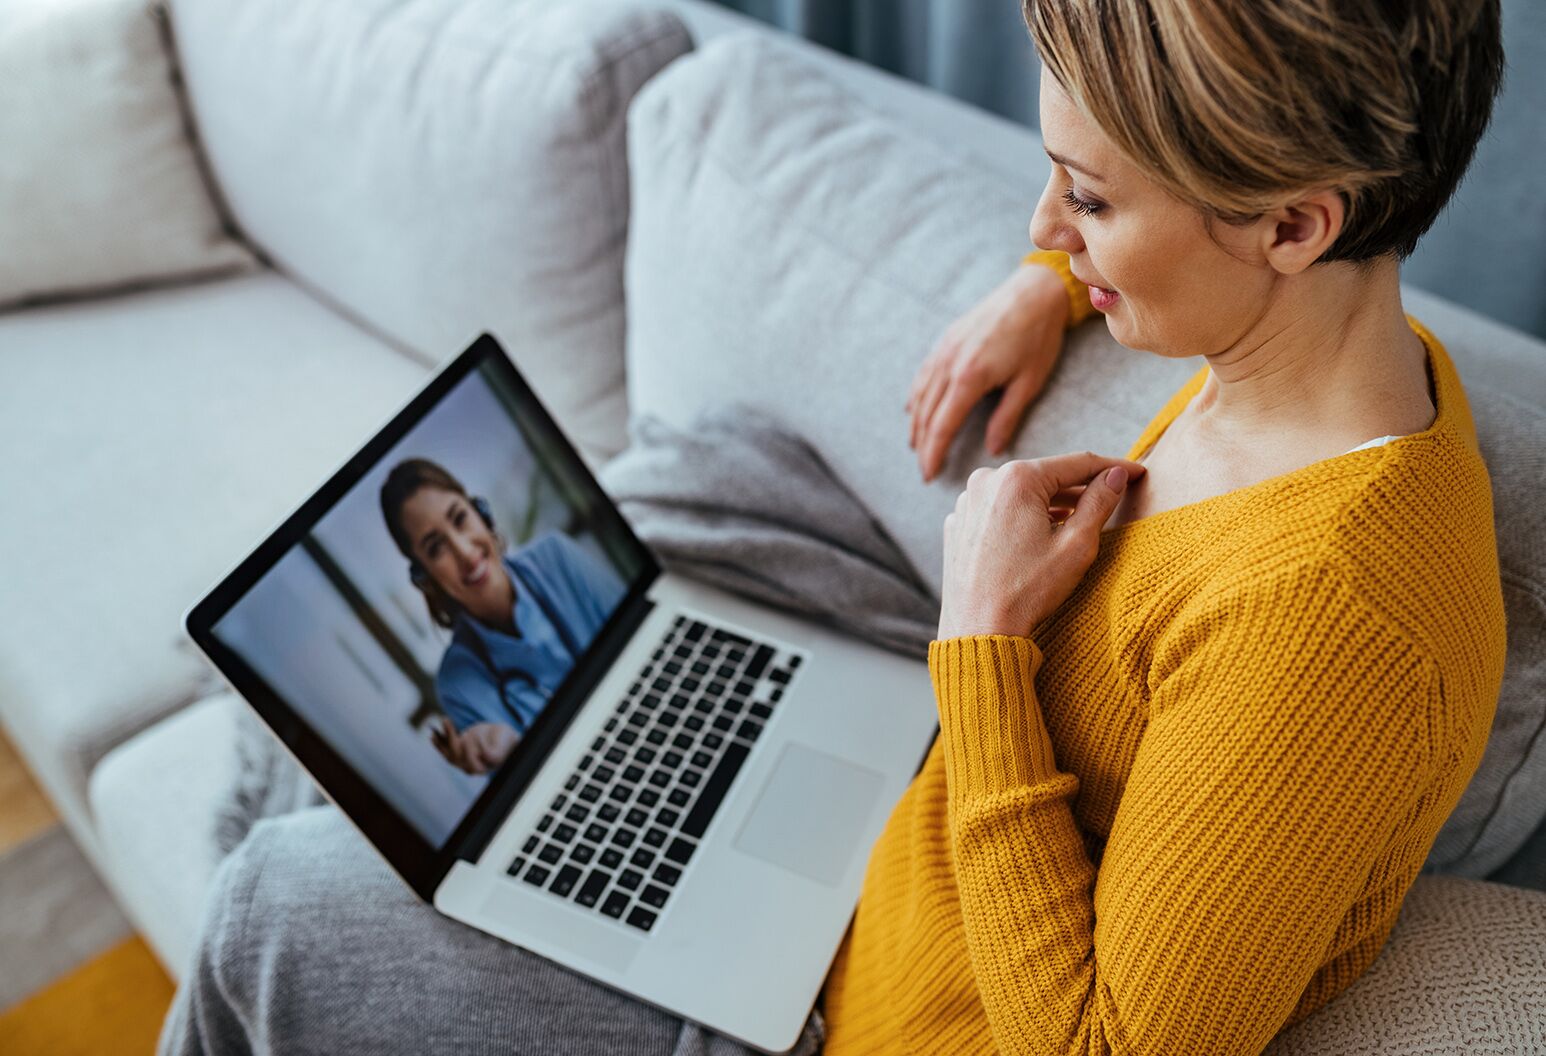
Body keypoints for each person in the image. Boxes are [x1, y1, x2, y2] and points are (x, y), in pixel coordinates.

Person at [160, 2, 1509, 1054]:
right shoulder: (1323, 354)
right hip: (867, 869)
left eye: (1085, 198)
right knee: (684, 490)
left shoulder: (1336, 622)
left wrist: (976, 641)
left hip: (830, 1022)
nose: (1046, 224)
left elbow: (1099, 1042)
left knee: (258, 920)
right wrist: (1056, 276)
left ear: (1289, 222)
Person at [380, 458, 627, 775]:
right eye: (436, 548)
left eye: (460, 519)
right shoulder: (458, 684)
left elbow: (643, 639)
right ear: (425, 577)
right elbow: (534, 792)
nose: (467, 554)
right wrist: (513, 749)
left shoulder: (557, 557)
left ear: (481, 514)